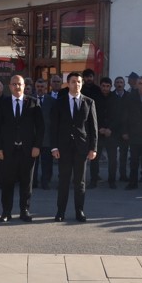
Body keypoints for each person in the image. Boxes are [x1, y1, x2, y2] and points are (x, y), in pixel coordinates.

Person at [0, 76, 44, 222]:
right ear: (9, 86)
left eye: (20, 84)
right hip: (7, 151)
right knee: (7, 183)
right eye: (14, 84)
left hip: (27, 150)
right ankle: (6, 212)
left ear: (24, 86)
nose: (17, 87)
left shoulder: (33, 102)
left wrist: (37, 146)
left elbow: (40, 127)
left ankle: (25, 210)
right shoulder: (3, 103)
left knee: (26, 182)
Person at [50, 71, 98, 222]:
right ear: (68, 84)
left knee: (80, 182)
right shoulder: (59, 102)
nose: (76, 84)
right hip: (63, 148)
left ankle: (80, 211)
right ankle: (60, 212)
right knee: (63, 181)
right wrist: (54, 147)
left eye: (79, 82)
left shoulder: (89, 102)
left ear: (81, 84)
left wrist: (93, 148)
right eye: (73, 82)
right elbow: (54, 127)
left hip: (81, 148)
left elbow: (93, 128)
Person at [91, 77, 120, 188]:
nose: (105, 88)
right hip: (98, 133)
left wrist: (110, 129)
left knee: (112, 159)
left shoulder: (116, 99)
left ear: (111, 87)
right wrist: (99, 128)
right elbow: (92, 115)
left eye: (107, 86)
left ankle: (112, 181)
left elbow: (118, 117)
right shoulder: (95, 98)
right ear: (100, 86)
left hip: (111, 134)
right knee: (94, 158)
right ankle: (94, 180)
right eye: (103, 86)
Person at [34, 78, 55, 190]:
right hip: (34, 137)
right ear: (35, 87)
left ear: (46, 88)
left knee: (47, 162)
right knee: (33, 162)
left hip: (47, 137)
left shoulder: (51, 101)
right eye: (38, 87)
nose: (40, 89)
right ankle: (33, 181)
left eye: (42, 87)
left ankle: (45, 181)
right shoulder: (30, 99)